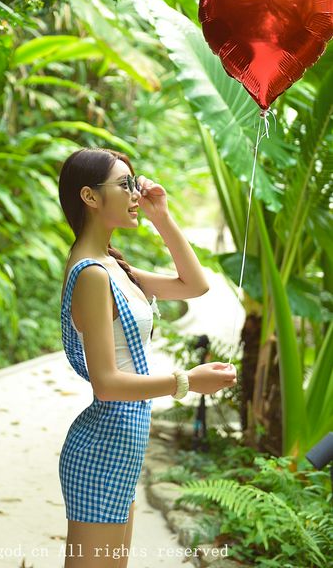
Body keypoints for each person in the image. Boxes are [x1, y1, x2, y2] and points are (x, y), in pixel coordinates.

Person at [57, 147, 237, 567]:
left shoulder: (114, 267)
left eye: (134, 183)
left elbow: (195, 285)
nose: (135, 193)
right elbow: (107, 383)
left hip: (120, 446)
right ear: (89, 197)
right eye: (125, 185)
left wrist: (162, 218)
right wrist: (188, 381)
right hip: (101, 449)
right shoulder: (92, 275)